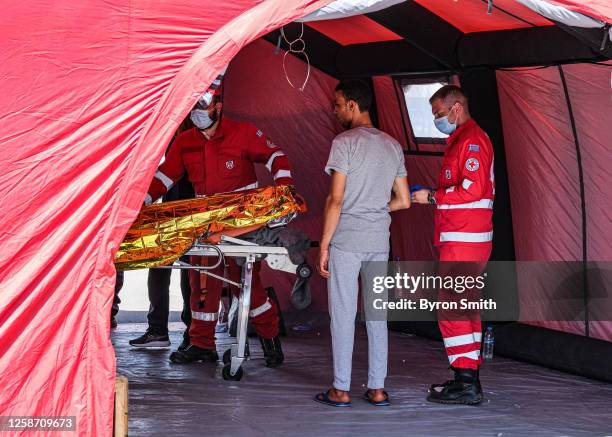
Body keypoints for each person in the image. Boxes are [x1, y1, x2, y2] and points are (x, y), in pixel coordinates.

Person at [144, 69, 294, 367]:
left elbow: (275, 156)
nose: (198, 114)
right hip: (205, 223)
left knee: (248, 286)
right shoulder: (186, 141)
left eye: (203, 107)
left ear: (218, 107)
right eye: (193, 108)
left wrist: (283, 192)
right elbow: (163, 177)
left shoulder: (243, 133)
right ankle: (202, 345)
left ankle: (270, 336)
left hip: (240, 224)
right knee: (201, 284)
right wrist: (139, 204)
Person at [314, 80, 410, 407]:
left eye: (338, 104)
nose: (335, 109)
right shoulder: (393, 145)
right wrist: (376, 208)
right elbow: (405, 201)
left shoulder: (344, 142)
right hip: (378, 241)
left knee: (343, 313)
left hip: (347, 241)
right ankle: (378, 388)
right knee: (377, 315)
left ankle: (341, 388)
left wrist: (324, 245)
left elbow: (335, 200)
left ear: (354, 105)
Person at [411, 84, 494, 405]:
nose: (437, 120)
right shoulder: (460, 140)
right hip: (462, 237)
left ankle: (467, 383)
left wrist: (432, 196)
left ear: (456, 108)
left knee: (452, 307)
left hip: (465, 239)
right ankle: (466, 376)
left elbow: (473, 191)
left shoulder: (472, 141)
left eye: (439, 114)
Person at [128, 176, 195, 350]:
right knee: (161, 266)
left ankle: (192, 333)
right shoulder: (173, 150)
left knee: (191, 270)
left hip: (196, 211)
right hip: (171, 211)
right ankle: (158, 330)